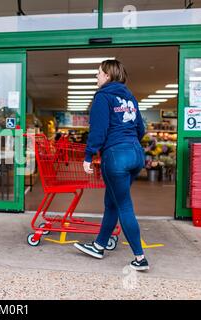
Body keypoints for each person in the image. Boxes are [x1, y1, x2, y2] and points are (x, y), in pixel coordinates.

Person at [73, 60, 149, 271]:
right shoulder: (130, 98)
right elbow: (140, 129)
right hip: (135, 154)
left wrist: (88, 156)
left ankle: (140, 258)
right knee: (113, 202)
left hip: (116, 156)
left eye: (98, 73)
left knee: (124, 205)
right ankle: (99, 245)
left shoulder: (102, 97)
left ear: (107, 75)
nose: (96, 77)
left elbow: (99, 130)